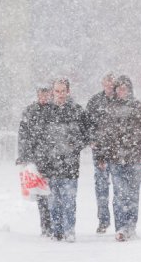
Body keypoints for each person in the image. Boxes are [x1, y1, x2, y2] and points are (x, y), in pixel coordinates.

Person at [93, 75, 141, 242]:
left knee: (132, 194)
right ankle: (121, 227)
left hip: (136, 158)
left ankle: (131, 226)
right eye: (118, 88)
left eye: (124, 88)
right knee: (119, 194)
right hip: (115, 159)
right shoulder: (109, 109)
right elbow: (103, 135)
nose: (121, 91)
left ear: (130, 89)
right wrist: (100, 155)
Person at [45, 78, 89, 242]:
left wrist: (75, 144)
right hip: (51, 165)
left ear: (68, 91)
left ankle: (69, 230)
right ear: (52, 92)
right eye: (57, 91)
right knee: (54, 201)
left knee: (69, 200)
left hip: (70, 164)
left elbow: (87, 134)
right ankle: (57, 231)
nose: (60, 94)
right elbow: (39, 138)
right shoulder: (46, 112)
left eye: (63, 91)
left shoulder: (77, 111)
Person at [16, 85, 53, 237]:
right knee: (41, 194)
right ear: (37, 95)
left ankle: (54, 224)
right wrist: (24, 156)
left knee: (54, 193)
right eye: (41, 95)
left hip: (53, 158)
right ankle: (45, 226)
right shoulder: (30, 112)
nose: (44, 98)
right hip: (37, 158)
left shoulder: (55, 110)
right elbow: (23, 135)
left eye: (46, 95)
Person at [86, 72, 115, 234]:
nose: (109, 87)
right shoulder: (95, 101)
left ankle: (120, 220)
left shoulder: (121, 100)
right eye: (107, 83)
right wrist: (92, 140)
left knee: (120, 189)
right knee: (101, 187)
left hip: (119, 151)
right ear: (102, 84)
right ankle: (103, 220)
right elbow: (87, 123)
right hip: (100, 151)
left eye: (112, 84)